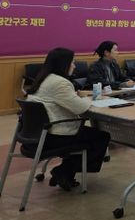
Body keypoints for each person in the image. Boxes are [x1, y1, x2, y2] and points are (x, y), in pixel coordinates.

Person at [27, 48, 111, 191]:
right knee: (101, 137)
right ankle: (64, 171)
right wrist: (87, 98)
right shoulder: (60, 83)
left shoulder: (44, 78)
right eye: (72, 62)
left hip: (36, 135)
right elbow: (80, 108)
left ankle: (65, 173)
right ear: (63, 64)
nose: (74, 66)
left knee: (90, 135)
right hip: (54, 136)